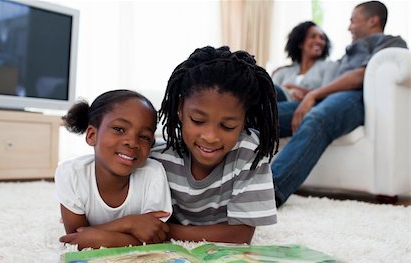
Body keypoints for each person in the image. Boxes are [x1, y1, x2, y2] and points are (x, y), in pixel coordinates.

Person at [272, 1, 408, 207]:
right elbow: (331, 87)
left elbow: (360, 75)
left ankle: (268, 193)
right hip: (328, 99)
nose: (349, 27)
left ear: (373, 20)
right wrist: (308, 94)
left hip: (354, 99)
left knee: (316, 118)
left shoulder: (389, 43)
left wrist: (314, 95)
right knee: (266, 115)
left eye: (353, 21)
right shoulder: (347, 54)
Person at [150, 46, 279, 244]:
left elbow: (240, 235)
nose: (210, 137)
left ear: (244, 121)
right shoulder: (158, 157)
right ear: (179, 110)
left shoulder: (249, 152)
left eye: (228, 126)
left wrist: (164, 231)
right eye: (197, 120)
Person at [55, 90, 172, 250]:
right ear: (92, 135)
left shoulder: (153, 174)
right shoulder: (71, 173)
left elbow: (154, 236)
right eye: (119, 129)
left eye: (144, 137)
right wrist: (130, 223)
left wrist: (99, 237)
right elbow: (74, 237)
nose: (132, 142)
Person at [272, 21, 337, 101]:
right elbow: (269, 92)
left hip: (308, 108)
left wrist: (291, 86)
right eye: (313, 37)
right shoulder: (282, 71)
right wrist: (289, 91)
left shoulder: (330, 66)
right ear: (300, 43)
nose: (319, 41)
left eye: (322, 38)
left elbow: (327, 94)